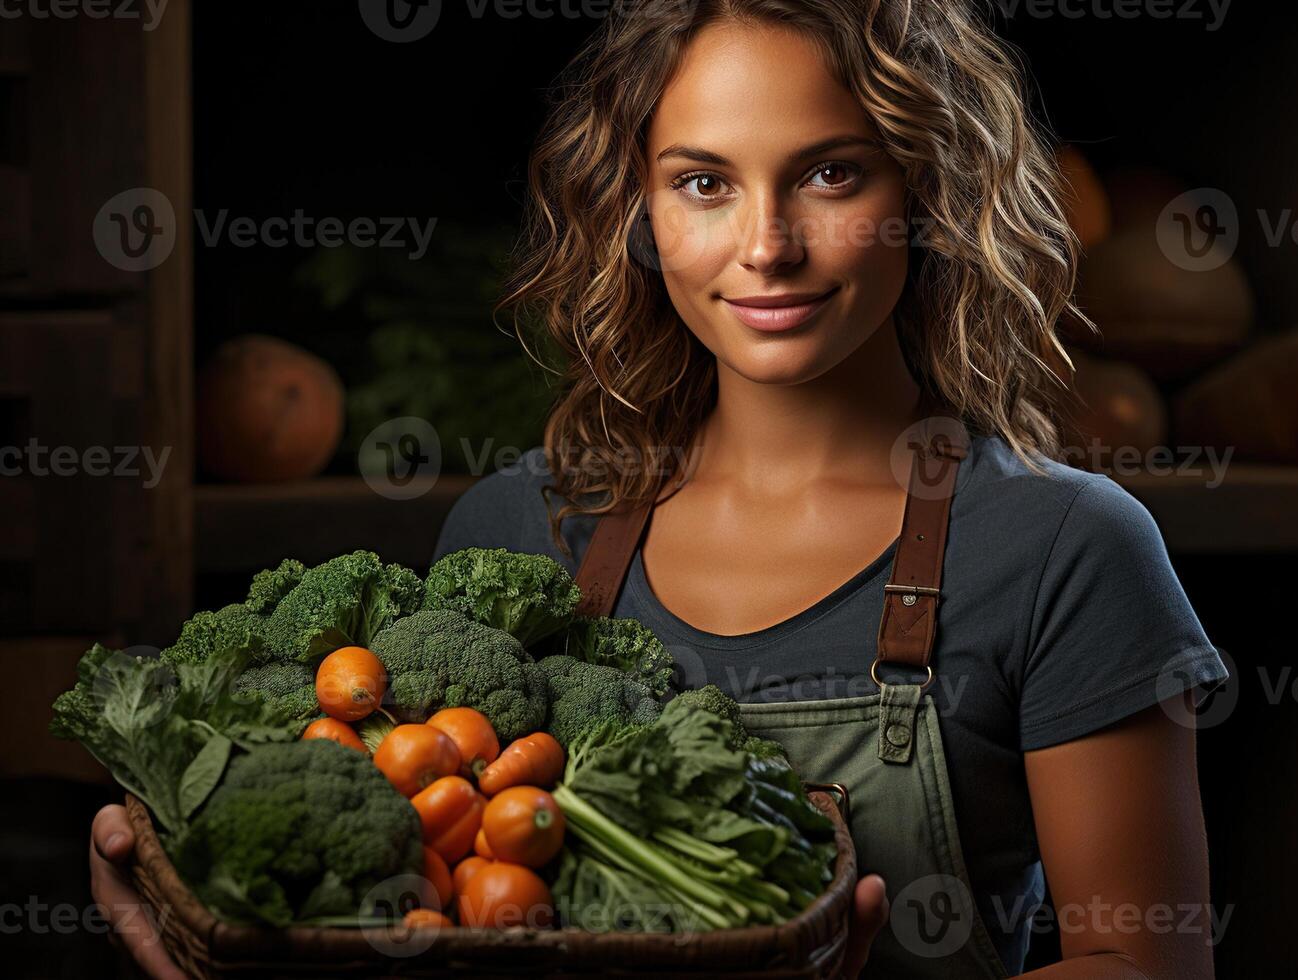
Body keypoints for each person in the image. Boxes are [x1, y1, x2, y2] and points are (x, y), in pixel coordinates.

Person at [89, 2, 1226, 977]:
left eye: (832, 171)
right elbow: (437, 899)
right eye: (704, 183)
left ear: (925, 189)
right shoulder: (514, 532)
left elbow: (1149, 962)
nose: (767, 244)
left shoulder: (1064, 545)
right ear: (640, 213)